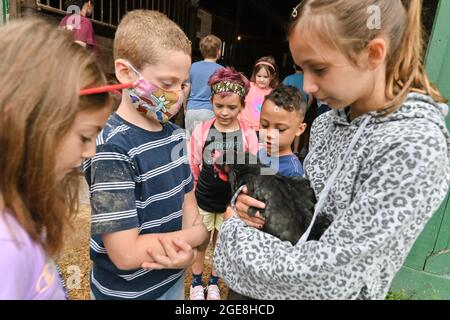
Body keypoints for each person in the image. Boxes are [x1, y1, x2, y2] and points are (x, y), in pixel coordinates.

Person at [214, 0, 450, 300]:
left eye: (319, 68)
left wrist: (234, 233)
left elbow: (331, 274)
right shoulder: (328, 123)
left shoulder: (414, 146)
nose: (308, 86)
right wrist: (255, 206)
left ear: (373, 53)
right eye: (303, 69)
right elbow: (306, 207)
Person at [83, 10, 209, 300]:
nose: (177, 95)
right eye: (167, 84)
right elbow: (126, 254)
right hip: (124, 294)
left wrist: (188, 255)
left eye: (182, 84)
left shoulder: (177, 137)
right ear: (126, 73)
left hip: (172, 284)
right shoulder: (112, 149)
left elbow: (190, 208)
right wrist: (195, 240)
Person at [0, 18, 112, 299]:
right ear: (25, 122)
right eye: (85, 137)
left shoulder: (21, 210)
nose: (91, 152)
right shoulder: (6, 248)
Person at [188, 67, 258, 300]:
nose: (225, 112)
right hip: (205, 199)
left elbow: (252, 168)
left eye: (231, 107)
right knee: (200, 242)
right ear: (211, 102)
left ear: (242, 106)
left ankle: (214, 282)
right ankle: (197, 282)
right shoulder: (202, 131)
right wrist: (194, 191)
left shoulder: (248, 134)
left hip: (231, 205)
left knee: (222, 244)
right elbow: (193, 163)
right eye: (219, 106)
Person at [258, 85, 307, 177]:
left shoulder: (292, 172)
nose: (269, 134)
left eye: (280, 129)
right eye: (264, 125)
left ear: (299, 129)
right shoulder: (260, 153)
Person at [185, 34, 223, 135]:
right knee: (206, 144)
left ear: (202, 51)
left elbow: (186, 88)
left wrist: (185, 107)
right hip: (209, 111)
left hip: (191, 110)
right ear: (219, 52)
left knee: (190, 144)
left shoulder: (192, 66)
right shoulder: (221, 70)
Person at [238, 56, 279, 133]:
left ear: (272, 76)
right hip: (244, 127)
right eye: (259, 76)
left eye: (265, 77)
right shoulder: (248, 87)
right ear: (255, 74)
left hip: (263, 130)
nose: (262, 79)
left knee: (266, 145)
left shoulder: (274, 93)